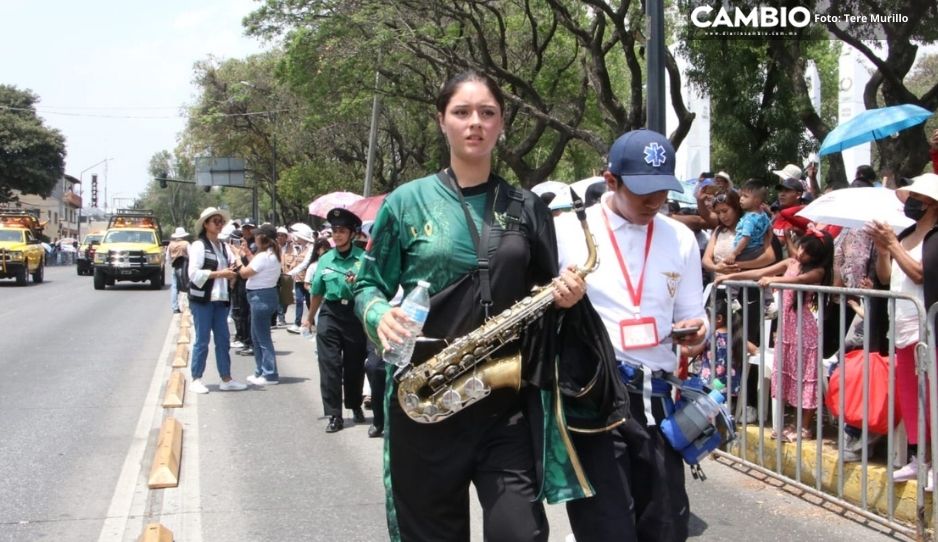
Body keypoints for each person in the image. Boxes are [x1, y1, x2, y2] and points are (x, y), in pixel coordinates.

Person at [353, 70, 585, 542]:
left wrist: (567, 299)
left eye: (487, 113)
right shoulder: (406, 202)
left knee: (520, 533)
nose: (474, 123)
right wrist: (379, 314)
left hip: (505, 407)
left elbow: (543, 293)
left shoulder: (526, 206)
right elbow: (366, 284)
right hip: (425, 401)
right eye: (461, 112)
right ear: (442, 121)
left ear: (501, 124)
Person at [555, 128, 707, 542]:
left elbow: (695, 316)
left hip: (657, 402)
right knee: (606, 528)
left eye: (661, 190)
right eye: (642, 191)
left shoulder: (680, 238)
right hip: (596, 401)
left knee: (665, 525)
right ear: (611, 180)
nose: (654, 202)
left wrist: (697, 334)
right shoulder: (569, 231)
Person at [716, 229, 834, 442]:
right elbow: (760, 272)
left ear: (817, 257)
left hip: (804, 330)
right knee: (788, 375)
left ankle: (805, 427)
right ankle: (794, 423)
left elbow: (799, 281)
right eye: (801, 247)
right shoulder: (790, 263)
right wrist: (731, 276)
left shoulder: (818, 272)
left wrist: (773, 281)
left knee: (806, 378)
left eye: (807, 252)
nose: (801, 253)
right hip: (787, 328)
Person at [868, 173, 938, 485]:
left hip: (929, 329)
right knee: (911, 397)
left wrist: (893, 244)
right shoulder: (908, 232)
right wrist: (884, 251)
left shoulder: (935, 236)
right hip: (901, 327)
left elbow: (920, 273)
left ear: (932, 205)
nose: (911, 204)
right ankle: (918, 457)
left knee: (932, 396)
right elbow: (886, 277)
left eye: (917, 201)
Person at [303, 208, 368, 433]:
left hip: (354, 316)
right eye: (334, 230)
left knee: (354, 365)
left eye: (342, 230)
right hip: (330, 314)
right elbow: (317, 291)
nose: (337, 235)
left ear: (352, 233)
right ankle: (334, 414)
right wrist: (309, 317)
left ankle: (355, 404)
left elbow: (371, 288)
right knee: (330, 365)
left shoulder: (363, 259)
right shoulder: (325, 259)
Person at [186, 207, 248, 394]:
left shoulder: (223, 246)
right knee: (202, 340)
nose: (219, 224)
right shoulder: (199, 245)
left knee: (222, 340)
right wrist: (221, 274)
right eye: (216, 221)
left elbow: (232, 268)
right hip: (203, 300)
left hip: (221, 299)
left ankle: (226, 378)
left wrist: (232, 274)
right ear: (206, 224)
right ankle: (196, 378)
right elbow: (193, 274)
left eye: (221, 221)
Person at [238, 224, 282, 386]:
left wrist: (237, 259)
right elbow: (256, 266)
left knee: (262, 338)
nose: (254, 237)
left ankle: (270, 374)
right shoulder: (270, 254)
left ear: (262, 238)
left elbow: (245, 273)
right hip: (266, 296)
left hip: (260, 297)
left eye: (257, 235)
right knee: (256, 336)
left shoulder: (264, 256)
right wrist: (248, 254)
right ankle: (261, 370)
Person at [723, 180, 770, 266]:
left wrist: (734, 254)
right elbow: (770, 229)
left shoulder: (749, 219)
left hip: (746, 252)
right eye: (741, 195)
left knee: (728, 266)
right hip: (759, 249)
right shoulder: (763, 215)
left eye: (745, 196)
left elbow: (745, 238)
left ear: (756, 201)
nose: (741, 198)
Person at [285, 223, 316, 333]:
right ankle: (297, 323)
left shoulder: (312, 247)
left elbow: (305, 263)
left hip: (308, 280)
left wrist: (291, 273)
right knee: (298, 300)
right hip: (299, 279)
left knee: (309, 301)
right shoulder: (300, 247)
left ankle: (312, 323)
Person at [166, 226, 190, 314]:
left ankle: (175, 307)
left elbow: (167, 258)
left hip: (175, 267)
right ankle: (191, 305)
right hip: (185, 267)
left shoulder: (170, 245)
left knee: (174, 287)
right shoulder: (186, 244)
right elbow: (191, 256)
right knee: (188, 286)